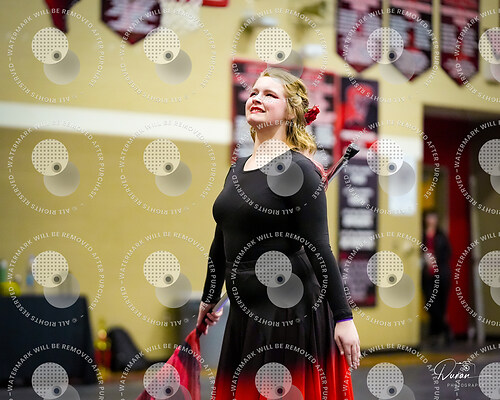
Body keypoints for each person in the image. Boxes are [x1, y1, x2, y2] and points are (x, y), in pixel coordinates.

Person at [198, 67, 360, 399]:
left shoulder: (300, 170)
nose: (257, 98)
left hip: (288, 309)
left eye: (270, 94)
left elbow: (319, 248)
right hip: (245, 310)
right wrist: (209, 297)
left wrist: (344, 318)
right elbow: (221, 239)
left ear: (290, 112)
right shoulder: (236, 170)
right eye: (254, 92)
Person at [421, 209, 452, 346]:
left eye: (434, 217)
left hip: (441, 275)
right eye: (429, 217)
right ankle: (445, 329)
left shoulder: (441, 236)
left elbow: (448, 253)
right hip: (427, 275)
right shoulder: (421, 235)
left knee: (440, 305)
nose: (431, 220)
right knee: (430, 304)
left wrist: (435, 259)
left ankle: (436, 333)